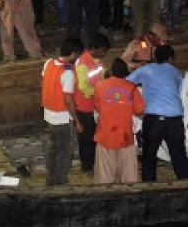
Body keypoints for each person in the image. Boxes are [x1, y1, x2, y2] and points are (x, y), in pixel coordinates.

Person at [128, 44, 188, 182]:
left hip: (154, 120)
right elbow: (182, 93)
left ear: (154, 57)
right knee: (179, 155)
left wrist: (135, 106)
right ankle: (187, 183)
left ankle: (150, 188)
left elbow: (125, 83)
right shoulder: (176, 72)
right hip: (175, 120)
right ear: (170, 58)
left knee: (149, 156)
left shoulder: (147, 69)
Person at [93, 58, 145, 184]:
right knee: (128, 175)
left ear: (111, 71)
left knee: (104, 175)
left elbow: (97, 107)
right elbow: (140, 111)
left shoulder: (100, 85)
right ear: (126, 72)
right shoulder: (132, 88)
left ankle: (106, 196)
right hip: (125, 136)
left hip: (105, 135)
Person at [42, 37, 85, 186]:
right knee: (65, 151)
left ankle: (50, 178)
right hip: (61, 118)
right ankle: (59, 181)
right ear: (73, 54)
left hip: (48, 115)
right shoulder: (67, 73)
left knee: (53, 148)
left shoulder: (48, 63)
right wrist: (77, 121)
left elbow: (45, 81)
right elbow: (68, 101)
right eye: (77, 55)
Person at [74, 33, 110, 174]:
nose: (104, 54)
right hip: (84, 106)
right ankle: (87, 166)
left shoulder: (96, 60)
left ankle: (95, 163)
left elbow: (101, 75)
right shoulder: (83, 62)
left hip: (94, 105)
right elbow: (83, 86)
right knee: (87, 138)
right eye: (102, 50)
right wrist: (98, 94)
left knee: (94, 136)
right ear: (94, 48)